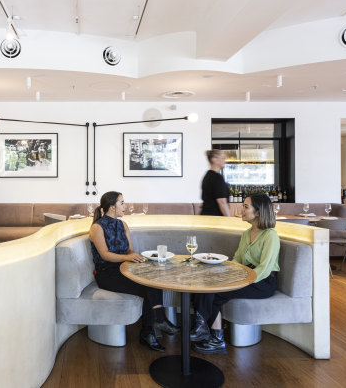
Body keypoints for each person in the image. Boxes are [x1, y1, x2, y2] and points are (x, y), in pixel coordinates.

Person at [190, 193, 280, 355]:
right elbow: (238, 260)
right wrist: (222, 273)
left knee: (215, 292)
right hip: (245, 276)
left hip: (262, 282)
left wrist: (240, 280)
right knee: (204, 284)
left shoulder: (270, 235)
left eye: (246, 207)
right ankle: (207, 331)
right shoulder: (247, 233)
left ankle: (210, 334)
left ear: (258, 212)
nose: (241, 209)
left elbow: (265, 268)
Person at [89, 191, 179, 352]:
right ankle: (152, 328)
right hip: (107, 273)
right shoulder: (97, 227)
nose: (125, 206)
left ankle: (154, 326)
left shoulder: (123, 225)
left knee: (153, 280)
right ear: (112, 207)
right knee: (148, 288)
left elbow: (130, 250)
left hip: (125, 268)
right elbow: (105, 255)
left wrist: (136, 260)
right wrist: (128, 258)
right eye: (122, 203)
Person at [200, 149, 230, 216]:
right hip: (215, 218)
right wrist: (229, 219)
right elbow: (222, 202)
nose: (225, 161)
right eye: (222, 158)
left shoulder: (207, 175)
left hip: (206, 216)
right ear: (214, 159)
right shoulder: (217, 177)